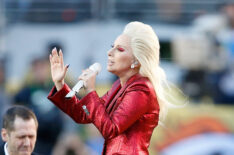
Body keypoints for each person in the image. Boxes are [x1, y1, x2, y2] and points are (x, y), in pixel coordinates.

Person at [47, 21, 172, 155]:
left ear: (136, 60)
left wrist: (90, 90)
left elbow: (110, 129)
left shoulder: (142, 90)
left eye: (120, 49)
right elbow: (83, 114)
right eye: (112, 47)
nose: (109, 52)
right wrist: (60, 84)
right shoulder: (119, 86)